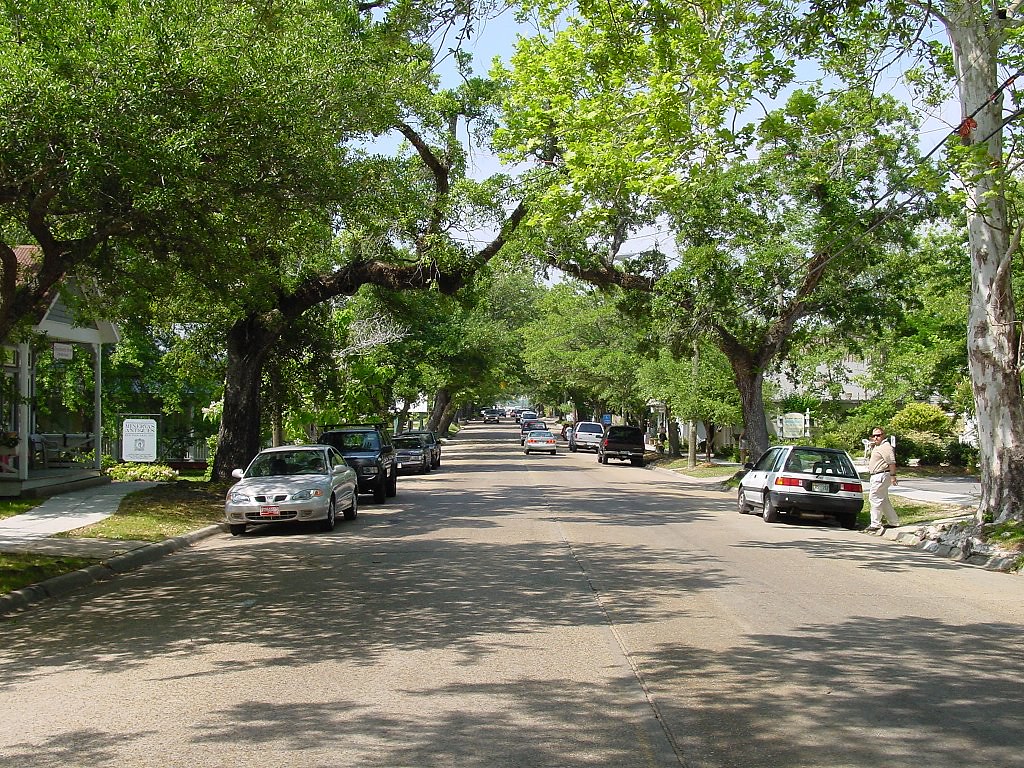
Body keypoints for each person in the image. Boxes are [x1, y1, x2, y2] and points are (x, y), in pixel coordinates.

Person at [866, 427, 900, 531]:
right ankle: (894, 522)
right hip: (877, 475)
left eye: (878, 435)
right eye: (874, 435)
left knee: (874, 498)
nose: (876, 437)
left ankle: (875, 524)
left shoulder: (885, 446)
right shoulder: (878, 446)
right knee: (884, 500)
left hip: (881, 475)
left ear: (883, 435)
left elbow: (892, 462)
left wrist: (893, 476)